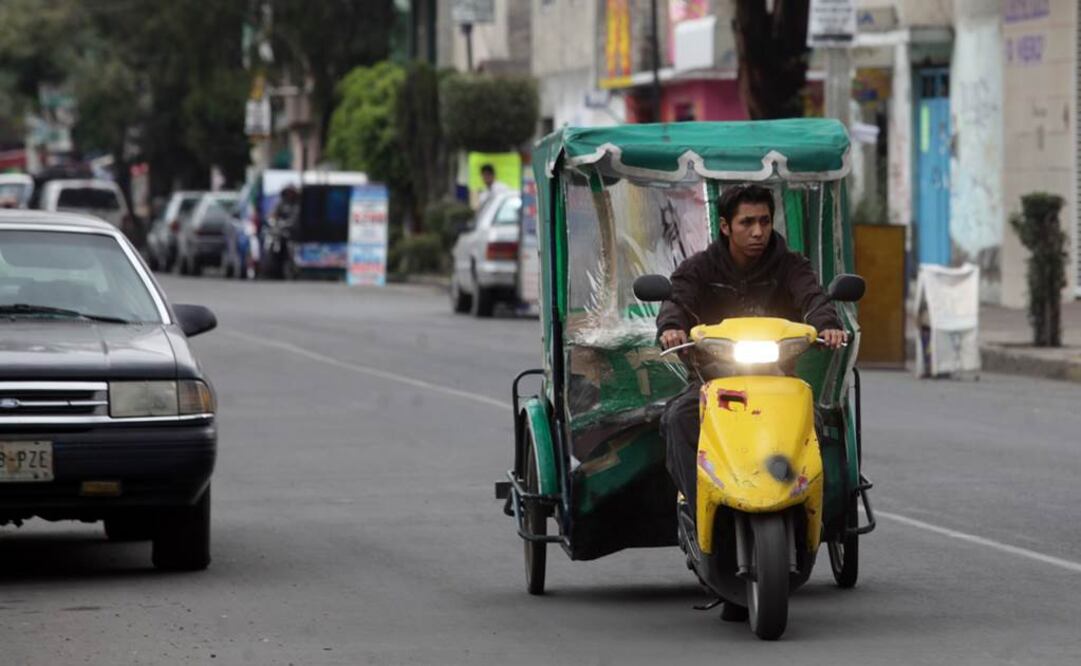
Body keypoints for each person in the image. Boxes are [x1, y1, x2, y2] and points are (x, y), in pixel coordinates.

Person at [656, 183, 847, 513]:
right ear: (726, 226)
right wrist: (672, 328)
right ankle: (700, 506)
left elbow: (812, 297)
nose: (758, 231)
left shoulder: (791, 265)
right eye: (747, 223)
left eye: (765, 221)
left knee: (812, 421)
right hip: (712, 378)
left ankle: (804, 509)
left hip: (777, 378)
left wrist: (828, 324)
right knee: (678, 418)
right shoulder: (699, 268)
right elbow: (677, 300)